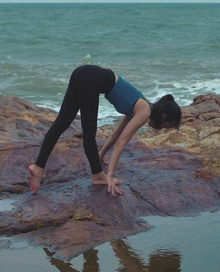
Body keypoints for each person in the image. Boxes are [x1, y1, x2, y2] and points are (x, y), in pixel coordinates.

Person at [28, 64, 182, 196]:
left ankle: (38, 166)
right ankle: (98, 176)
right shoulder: (144, 111)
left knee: (62, 122)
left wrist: (101, 154)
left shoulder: (140, 105)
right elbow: (121, 142)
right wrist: (110, 176)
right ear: (163, 116)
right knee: (89, 133)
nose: (160, 129)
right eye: (165, 126)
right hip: (89, 79)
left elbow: (116, 135)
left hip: (82, 73)